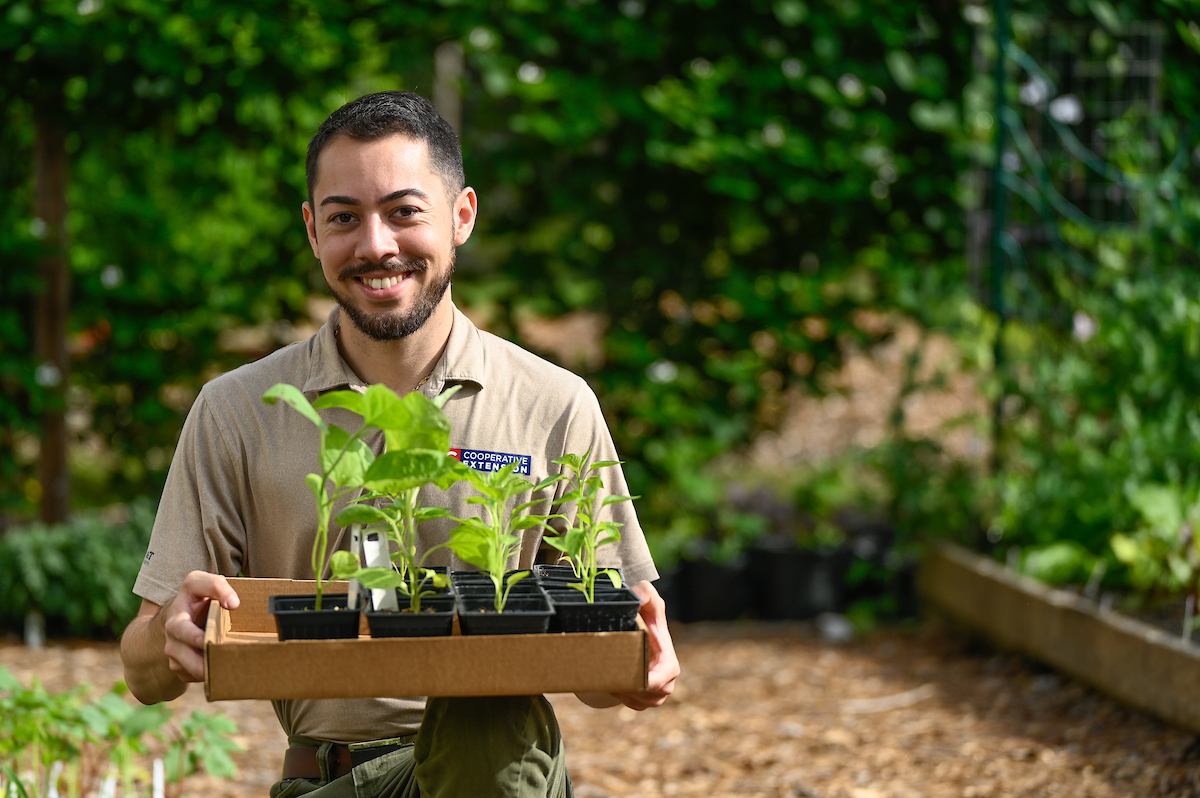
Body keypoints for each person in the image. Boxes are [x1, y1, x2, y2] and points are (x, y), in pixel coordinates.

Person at [119, 90, 679, 798]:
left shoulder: (551, 404)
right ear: (312, 231)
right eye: (344, 218)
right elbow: (141, 674)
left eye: (404, 212)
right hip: (329, 779)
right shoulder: (237, 411)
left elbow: (600, 671)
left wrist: (633, 664)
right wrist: (171, 635)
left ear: (462, 216)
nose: (376, 245)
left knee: (488, 719)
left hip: (494, 769)